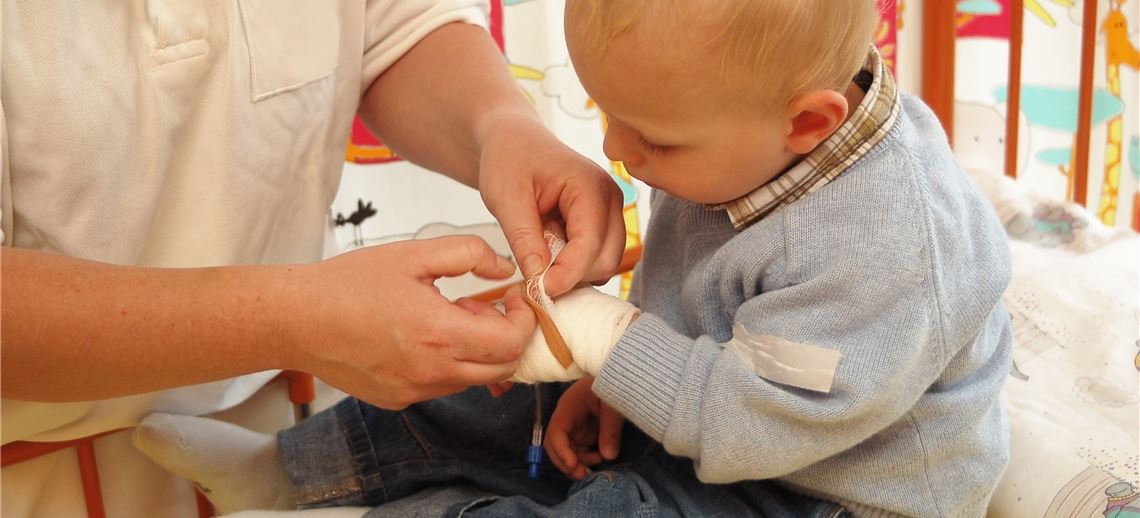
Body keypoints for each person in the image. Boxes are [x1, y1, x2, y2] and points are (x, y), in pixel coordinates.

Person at [131, 0, 1015, 516]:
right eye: (604, 111)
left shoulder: (892, 248)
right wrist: (605, 376)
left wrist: (603, 339)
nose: (616, 150)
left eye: (652, 140)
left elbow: (758, 421)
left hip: (813, 483)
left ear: (809, 123)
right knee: (488, 384)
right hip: (722, 406)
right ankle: (289, 472)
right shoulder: (739, 134)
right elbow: (691, 314)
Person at [0, 0, 623, 516]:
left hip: (292, 413)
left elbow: (395, 26)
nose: (617, 149)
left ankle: (287, 471)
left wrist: (502, 126)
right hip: (37, 469)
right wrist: (293, 319)